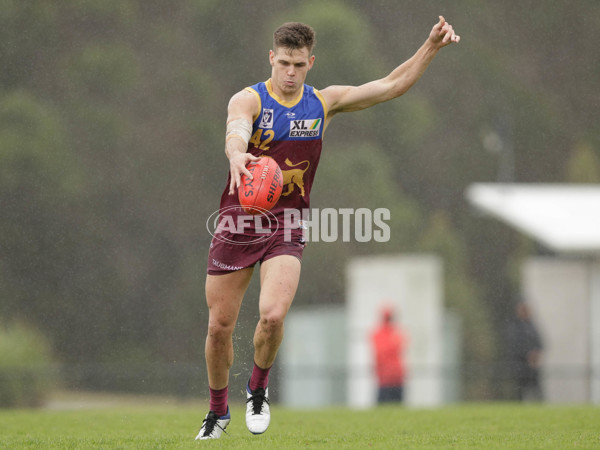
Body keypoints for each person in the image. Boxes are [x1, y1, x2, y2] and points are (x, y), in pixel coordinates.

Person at [196, 16, 460, 440]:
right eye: (283, 63)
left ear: (311, 63)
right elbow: (236, 129)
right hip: (238, 222)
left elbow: (390, 85)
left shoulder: (322, 103)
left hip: (287, 222)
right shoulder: (249, 100)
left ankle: (258, 389)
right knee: (218, 327)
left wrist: (430, 46)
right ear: (271, 58)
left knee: (273, 316)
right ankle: (217, 411)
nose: (290, 73)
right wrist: (235, 154)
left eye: (299, 65)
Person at [507, 301, 544, 402]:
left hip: (532, 366)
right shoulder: (515, 327)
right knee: (520, 390)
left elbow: (540, 343)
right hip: (520, 364)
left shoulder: (531, 326)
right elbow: (514, 345)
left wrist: (535, 354)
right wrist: (526, 354)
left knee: (536, 390)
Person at [371, 305, 408, 403]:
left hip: (388, 376)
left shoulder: (378, 334)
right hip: (392, 376)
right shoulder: (397, 334)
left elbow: (380, 354)